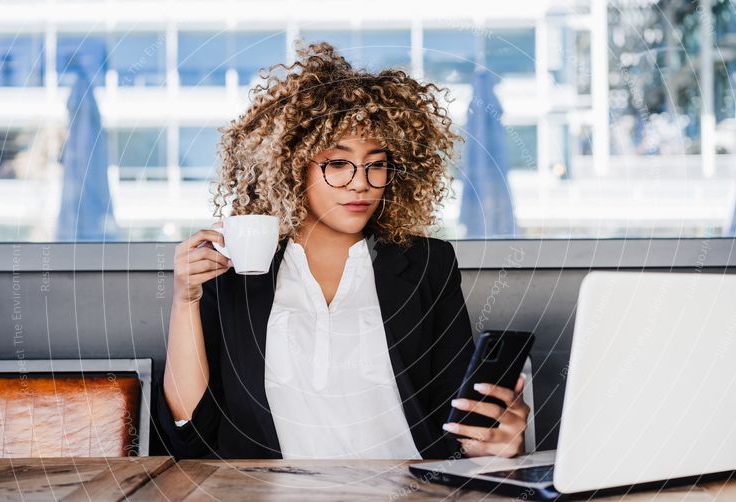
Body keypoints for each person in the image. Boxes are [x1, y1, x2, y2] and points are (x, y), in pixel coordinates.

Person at [158, 41, 529, 460]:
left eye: (377, 163)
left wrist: (495, 439)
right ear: (291, 166)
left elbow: (454, 418)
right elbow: (189, 428)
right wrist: (185, 298)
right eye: (337, 163)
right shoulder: (234, 267)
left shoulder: (428, 264)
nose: (362, 182)